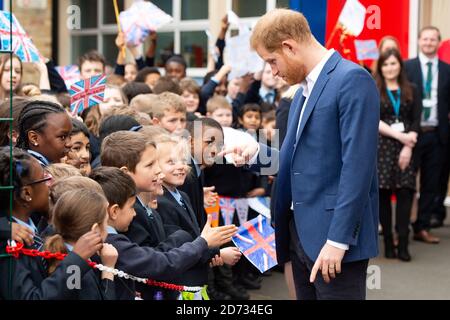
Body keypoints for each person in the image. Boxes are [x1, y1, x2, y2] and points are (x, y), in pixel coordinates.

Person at [224, 9, 380, 300]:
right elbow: (300, 160)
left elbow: (357, 169)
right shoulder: (301, 91)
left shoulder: (352, 80)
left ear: (289, 46)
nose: (272, 71)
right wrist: (256, 152)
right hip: (299, 233)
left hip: (334, 239)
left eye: (272, 61)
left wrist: (338, 239)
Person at [90, 167, 237, 300]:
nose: (134, 213)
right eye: (131, 207)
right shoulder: (112, 244)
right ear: (114, 211)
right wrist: (202, 242)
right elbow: (160, 263)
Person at [374, 49, 421, 261]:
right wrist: (400, 137)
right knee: (383, 196)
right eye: (386, 64)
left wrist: (408, 145)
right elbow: (374, 120)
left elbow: (416, 120)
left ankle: (403, 243)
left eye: (393, 63)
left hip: (407, 149)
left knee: (405, 194)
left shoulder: (412, 89)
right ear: (380, 67)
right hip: (382, 146)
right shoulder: (375, 89)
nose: (390, 68)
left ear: (400, 65)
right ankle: (388, 244)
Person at [404, 26, 450, 242]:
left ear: (438, 43)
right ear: (419, 41)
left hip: (437, 135)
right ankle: (400, 228)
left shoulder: (447, 70)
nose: (429, 43)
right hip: (412, 134)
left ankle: (421, 227)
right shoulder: (407, 67)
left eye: (433, 39)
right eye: (425, 39)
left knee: (431, 185)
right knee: (405, 183)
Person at [16, 100, 73, 167]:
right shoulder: (30, 172)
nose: (70, 144)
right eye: (62, 137)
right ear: (34, 138)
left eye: (70, 136)